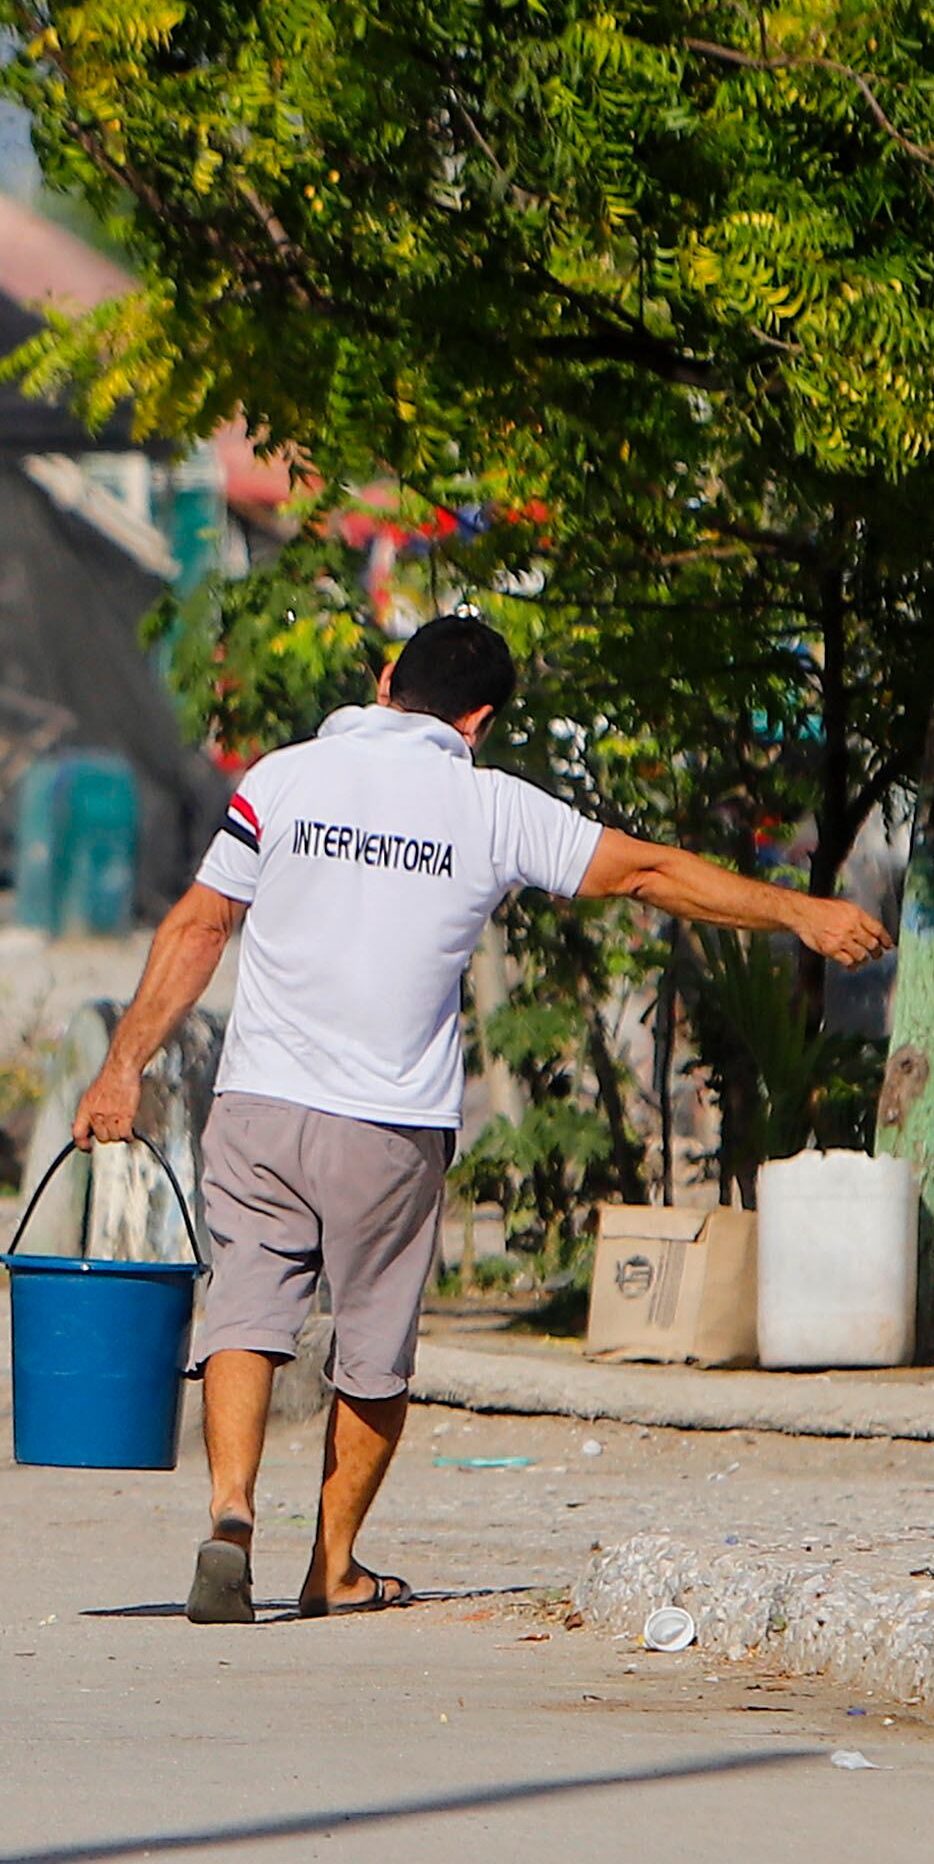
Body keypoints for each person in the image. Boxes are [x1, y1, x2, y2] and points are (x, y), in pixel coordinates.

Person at [72, 614, 892, 1624]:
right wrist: (801, 912)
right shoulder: (491, 807)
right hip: (386, 1126)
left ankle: (230, 1511)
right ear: (480, 719)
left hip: (260, 1103)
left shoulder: (282, 779)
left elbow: (199, 924)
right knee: (372, 1345)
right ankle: (332, 1567)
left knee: (245, 1309)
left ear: (386, 681)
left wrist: (121, 1069)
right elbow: (646, 872)